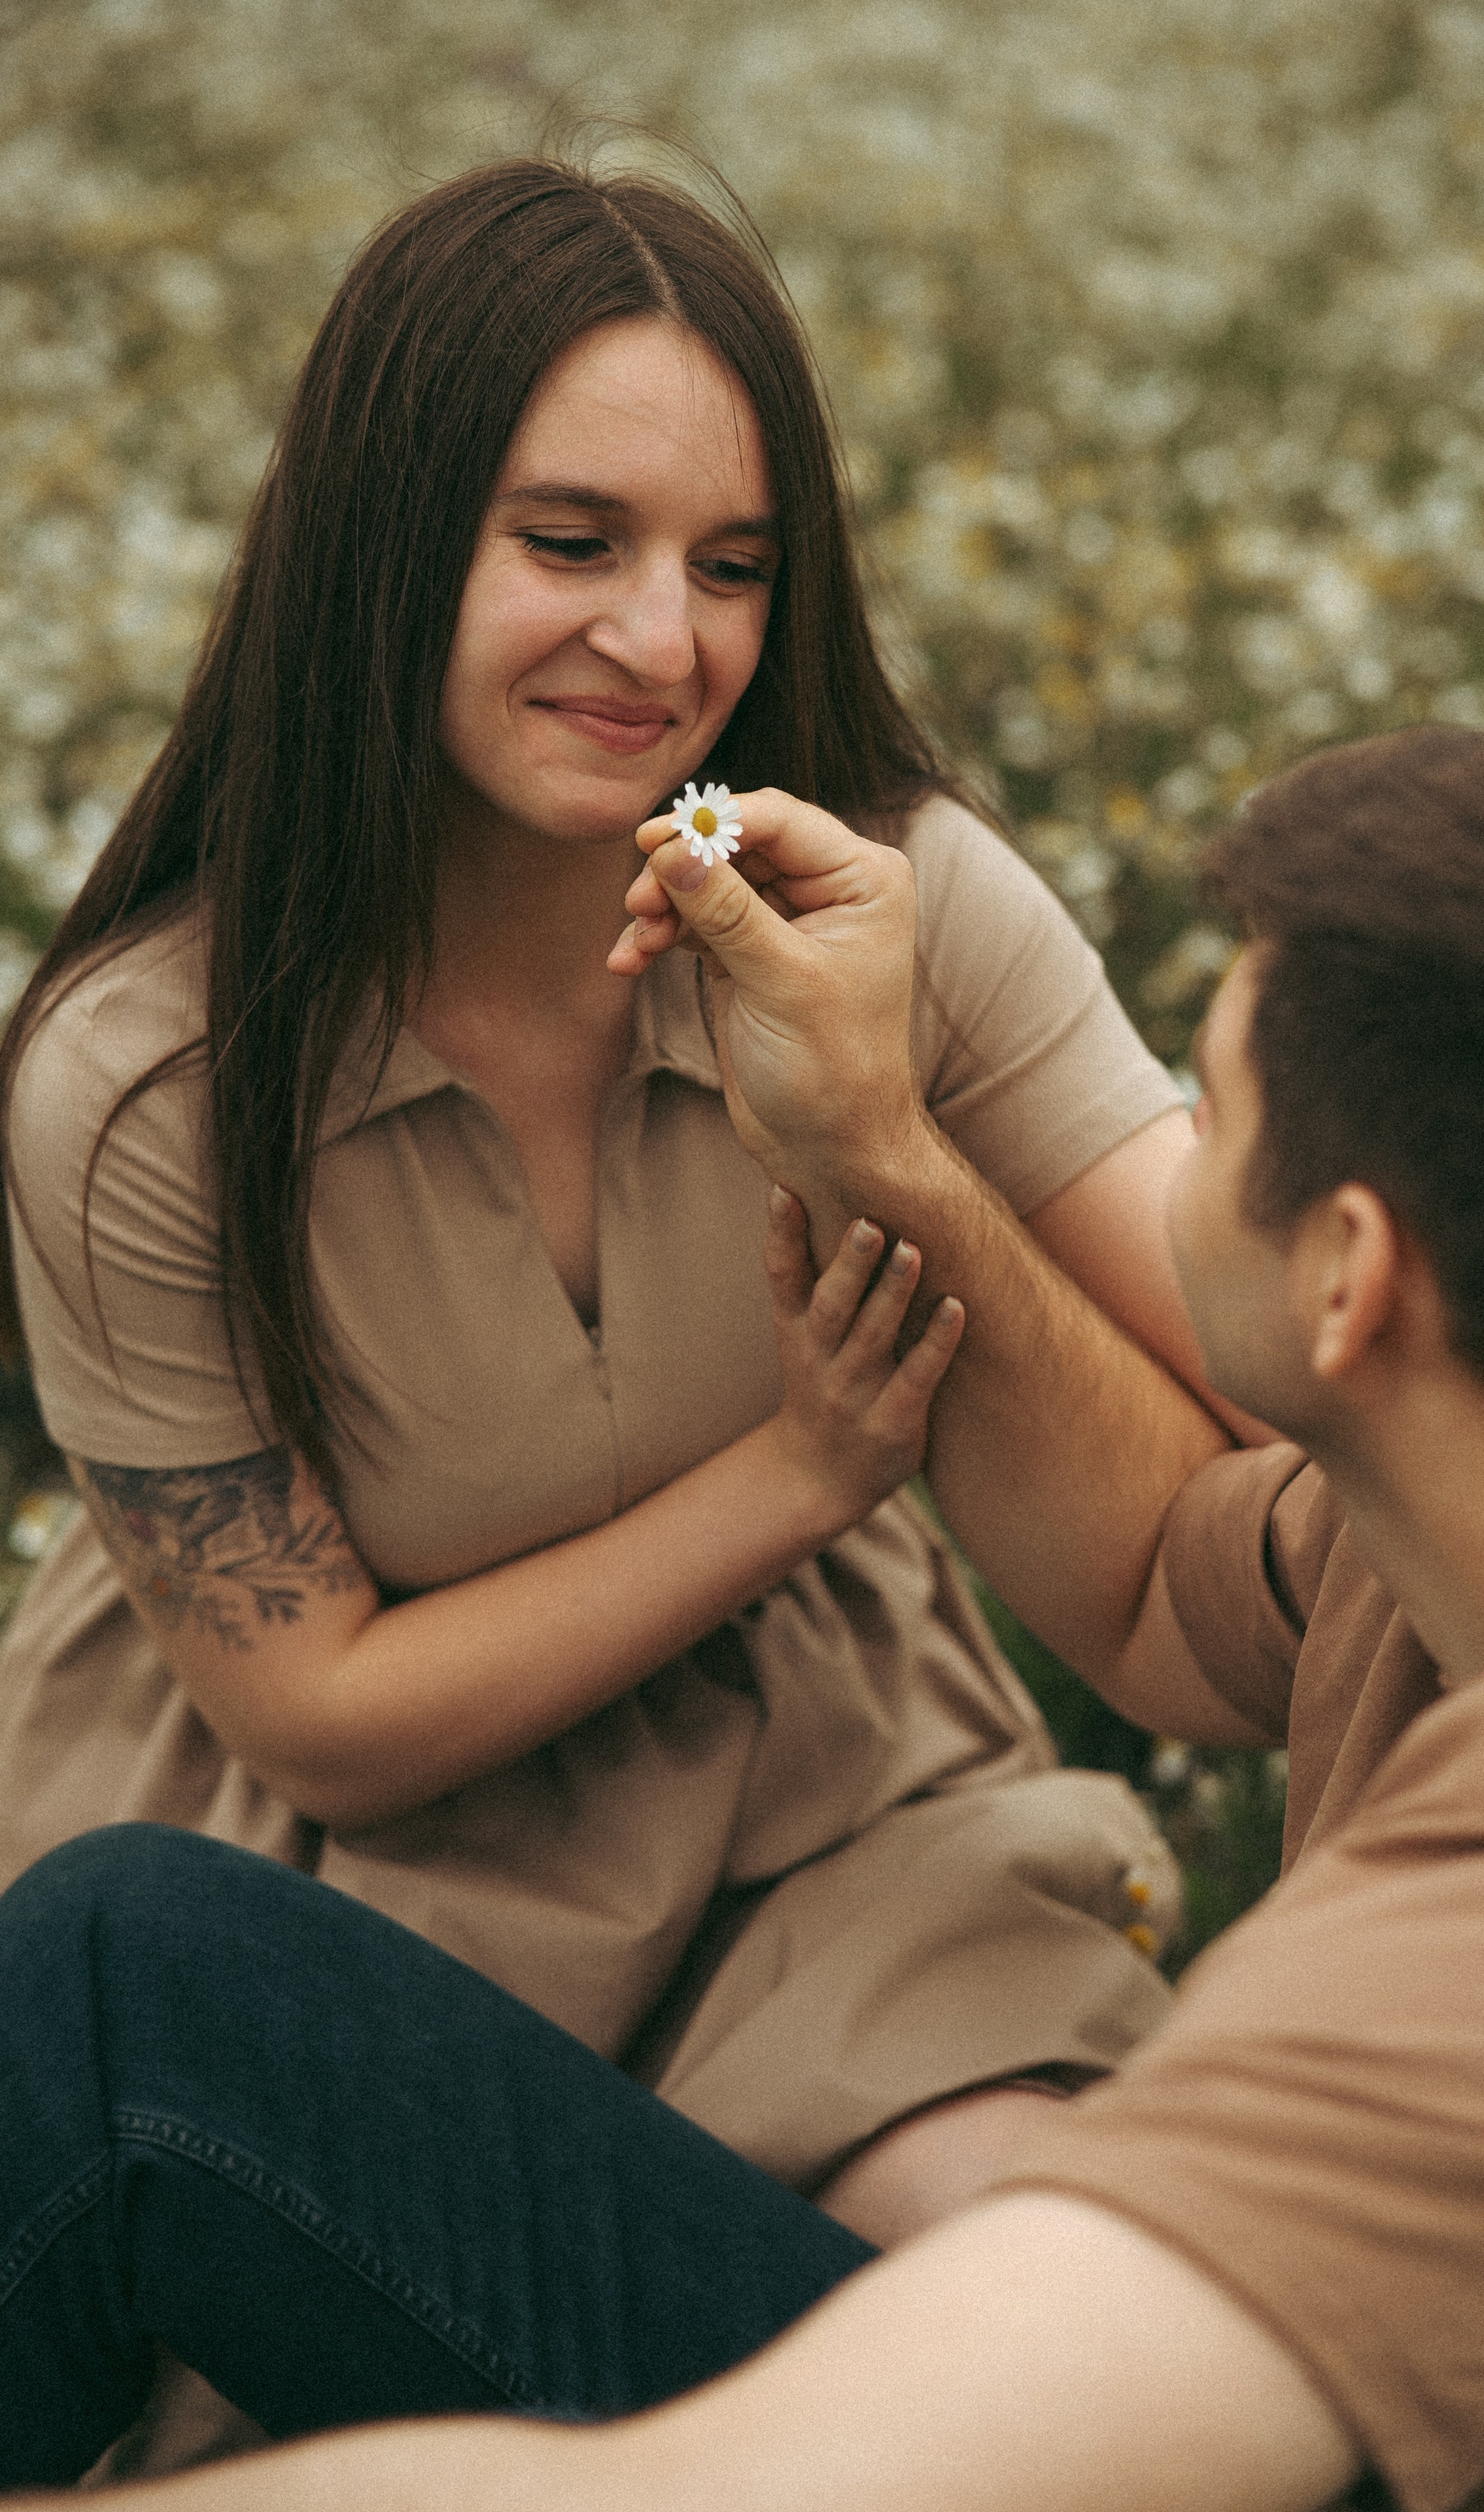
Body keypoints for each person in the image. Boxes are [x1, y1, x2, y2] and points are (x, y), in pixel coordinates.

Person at [4, 720, 1484, 2510]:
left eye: (1215, 1116)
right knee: (140, 1971)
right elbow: (1154, 1585)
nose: (1162, 1163)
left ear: (1348, 1277)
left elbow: (787, 2486)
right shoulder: (1446, 1549)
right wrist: (873, 1135)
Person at [0, 148, 1235, 2376]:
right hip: (342, 1895)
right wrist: (800, 1474)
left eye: (733, 568)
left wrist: (889, 1138)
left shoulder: (896, 902)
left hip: (835, 1834)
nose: (665, 645)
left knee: (1078, 2365)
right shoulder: (140, 1083)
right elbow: (330, 1721)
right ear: (386, 540)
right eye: (570, 543)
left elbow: (1259, 1358)